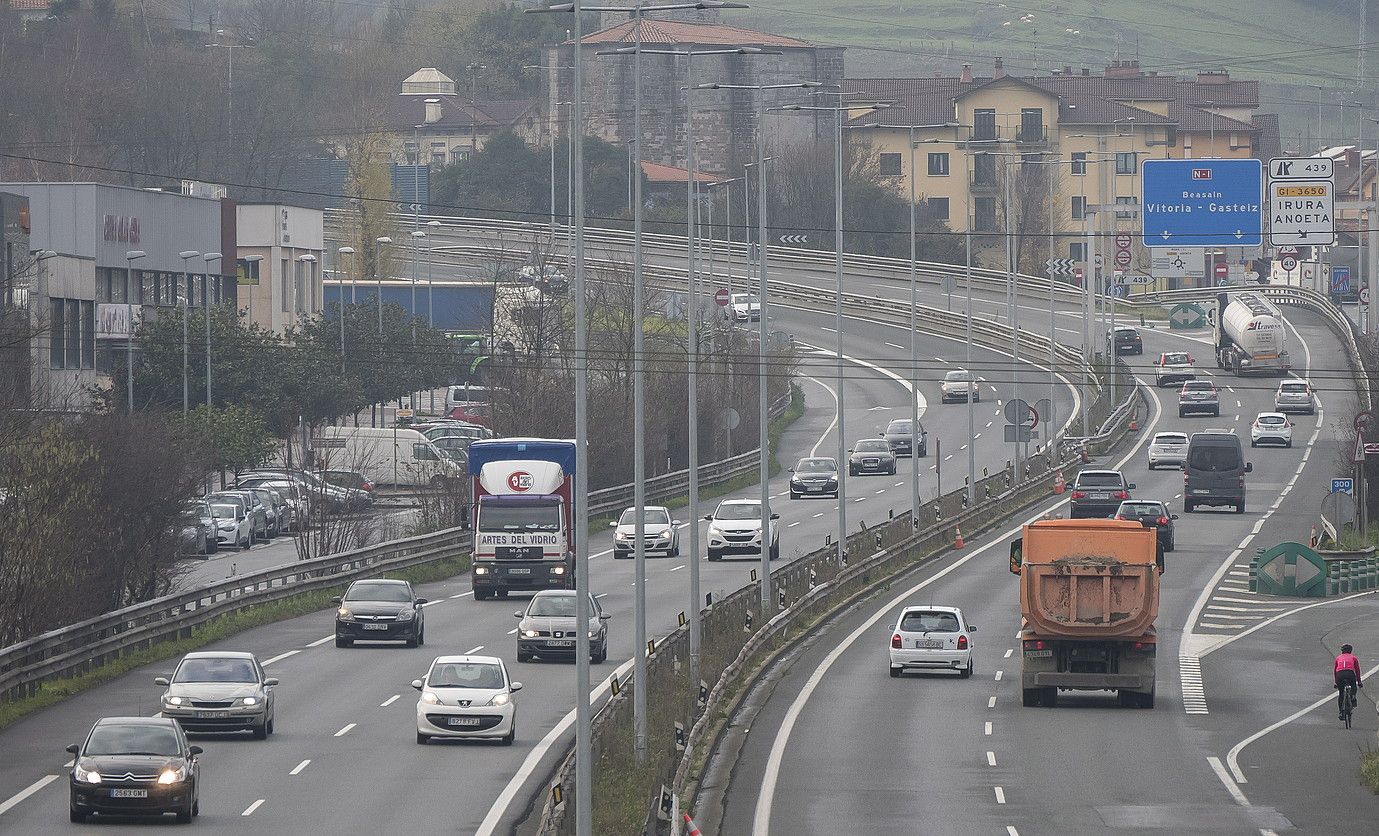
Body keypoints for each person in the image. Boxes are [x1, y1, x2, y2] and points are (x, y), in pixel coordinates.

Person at [1335, 643, 1363, 719]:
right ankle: (1353, 696)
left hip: (1340, 674)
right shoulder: (1353, 658)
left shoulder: (1338, 658)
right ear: (1350, 651)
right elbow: (1357, 670)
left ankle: (1341, 712)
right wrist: (1359, 682)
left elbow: (1335, 671)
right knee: (1353, 686)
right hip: (1350, 673)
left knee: (1341, 693)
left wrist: (1335, 682)